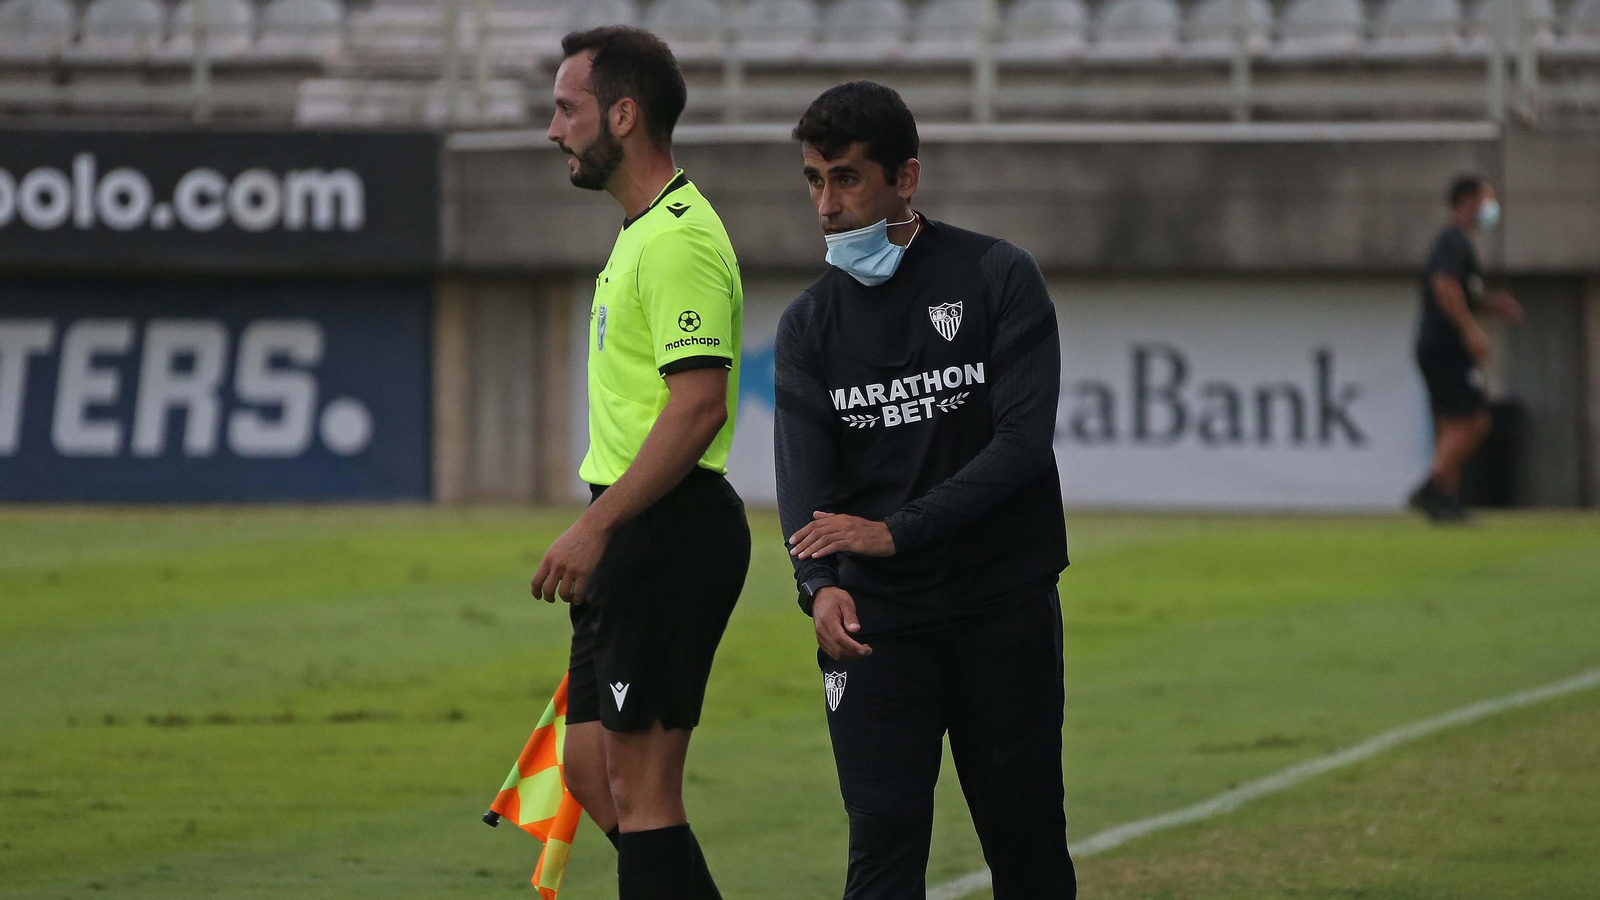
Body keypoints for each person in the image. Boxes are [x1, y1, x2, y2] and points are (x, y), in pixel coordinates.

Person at [773, 81, 1075, 899]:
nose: (825, 204)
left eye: (845, 178)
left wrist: (894, 530)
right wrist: (819, 587)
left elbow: (1021, 448)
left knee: (1028, 846)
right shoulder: (808, 325)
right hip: (875, 628)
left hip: (999, 609)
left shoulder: (997, 275)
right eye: (812, 179)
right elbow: (804, 481)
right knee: (881, 848)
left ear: (905, 177)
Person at [531, 26, 750, 900]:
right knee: (588, 770)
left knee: (644, 790)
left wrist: (596, 526)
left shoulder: (678, 242)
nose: (554, 130)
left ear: (622, 114)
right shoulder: (641, 231)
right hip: (633, 533)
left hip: (665, 532)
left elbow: (698, 408)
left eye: (567, 108)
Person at [1409, 175, 1523, 523]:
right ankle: (1431, 488)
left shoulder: (1460, 245)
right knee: (1475, 421)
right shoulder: (1452, 241)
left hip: (1440, 345)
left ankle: (1445, 500)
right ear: (1468, 200)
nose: (1490, 207)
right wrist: (1471, 330)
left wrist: (1489, 305)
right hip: (1446, 346)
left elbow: (1462, 292)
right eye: (1486, 198)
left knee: (1452, 423)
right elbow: (1444, 286)